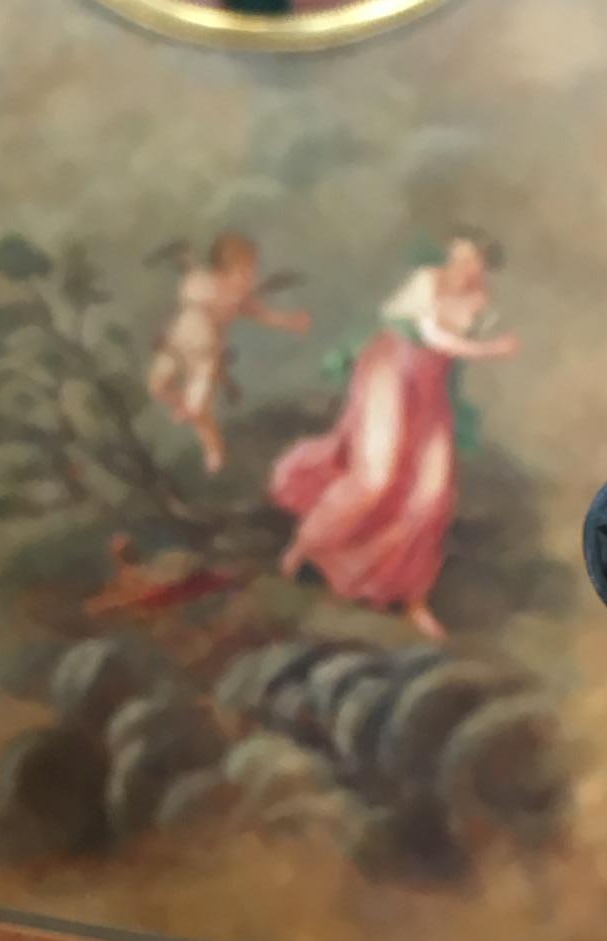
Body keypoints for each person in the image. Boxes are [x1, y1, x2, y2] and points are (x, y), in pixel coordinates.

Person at [271, 237, 517, 644]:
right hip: (388, 374)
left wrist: (483, 345)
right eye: (457, 256)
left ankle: (414, 600)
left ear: (483, 267)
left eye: (472, 261)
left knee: (431, 496)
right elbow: (432, 334)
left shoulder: (479, 301)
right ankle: (303, 548)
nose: (462, 266)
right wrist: (490, 349)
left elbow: (446, 357)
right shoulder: (426, 281)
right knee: (376, 478)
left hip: (429, 390)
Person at [146, 230, 310, 478]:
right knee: (157, 385)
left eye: (251, 271)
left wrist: (290, 321)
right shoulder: (200, 281)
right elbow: (190, 293)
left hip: (205, 356)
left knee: (199, 407)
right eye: (244, 271)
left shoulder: (241, 298)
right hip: (177, 345)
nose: (250, 277)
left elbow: (266, 316)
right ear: (223, 269)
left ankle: (214, 449)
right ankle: (179, 405)